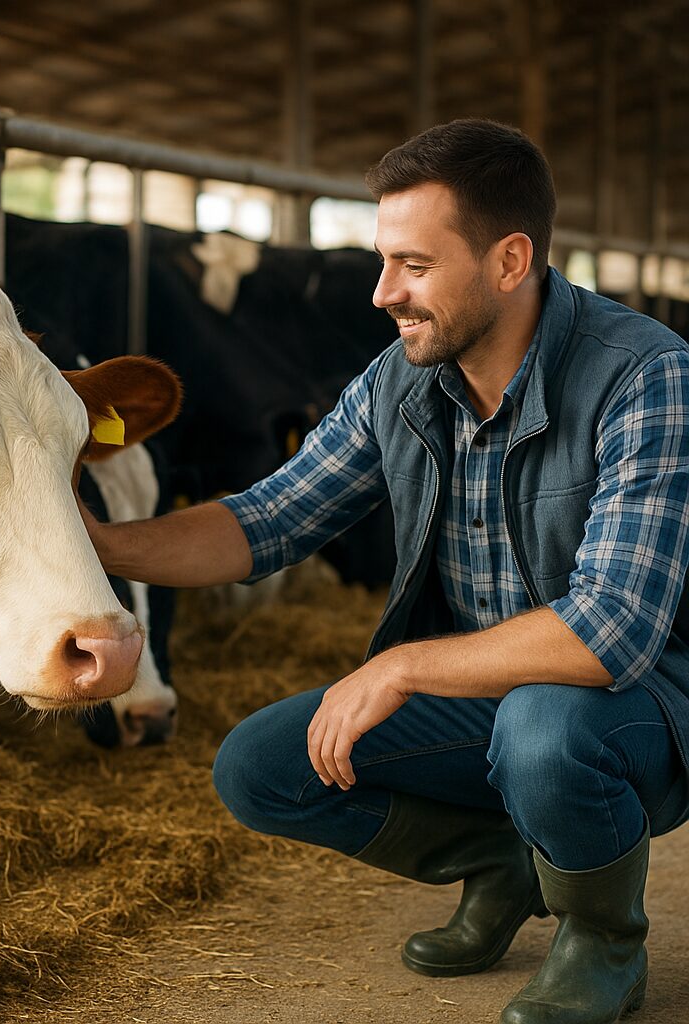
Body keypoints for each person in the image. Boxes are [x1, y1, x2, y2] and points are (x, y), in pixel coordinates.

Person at [79, 118, 689, 1024]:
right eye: (382, 260)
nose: (381, 292)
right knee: (261, 767)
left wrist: (401, 666)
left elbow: (611, 633)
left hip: (644, 703)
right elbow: (270, 519)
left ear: (510, 261)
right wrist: (98, 545)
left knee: (543, 726)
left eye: (414, 264)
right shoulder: (398, 382)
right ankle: (503, 863)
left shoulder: (644, 374)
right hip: (487, 693)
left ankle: (603, 939)